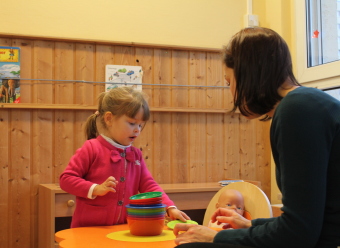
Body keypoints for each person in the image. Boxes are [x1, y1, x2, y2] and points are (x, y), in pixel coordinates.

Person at [173, 27, 340, 248]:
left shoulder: (298, 109)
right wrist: (251, 225)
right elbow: (306, 221)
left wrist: (215, 236)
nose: (231, 91)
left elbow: (299, 233)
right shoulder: (306, 103)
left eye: (228, 82)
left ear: (247, 75)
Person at [60, 86, 190, 228]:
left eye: (140, 125)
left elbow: (149, 185)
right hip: (88, 229)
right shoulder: (91, 148)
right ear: (109, 119)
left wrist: (170, 207)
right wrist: (96, 189)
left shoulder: (136, 154)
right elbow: (66, 179)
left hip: (122, 229)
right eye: (132, 123)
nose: (137, 130)